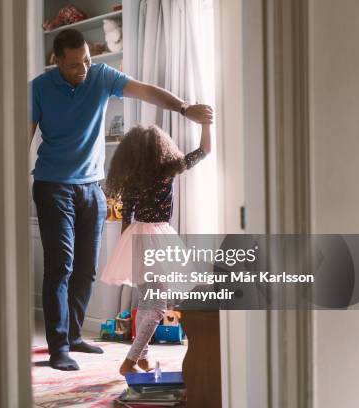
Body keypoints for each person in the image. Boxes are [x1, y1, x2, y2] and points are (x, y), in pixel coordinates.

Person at [30, 28, 213, 371]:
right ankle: (58, 348)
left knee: (86, 268)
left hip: (91, 187)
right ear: (57, 62)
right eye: (74, 65)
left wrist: (185, 108)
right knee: (61, 266)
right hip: (53, 185)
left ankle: (73, 335)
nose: (83, 69)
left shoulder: (100, 76)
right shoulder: (39, 88)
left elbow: (145, 92)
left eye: (86, 60)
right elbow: (22, 137)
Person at [100, 123, 212, 375]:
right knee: (158, 306)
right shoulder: (168, 169)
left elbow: (126, 218)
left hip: (136, 237)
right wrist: (206, 124)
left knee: (145, 302)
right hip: (156, 237)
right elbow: (204, 150)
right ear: (162, 147)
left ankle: (142, 357)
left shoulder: (130, 178)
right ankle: (129, 362)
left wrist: (125, 249)